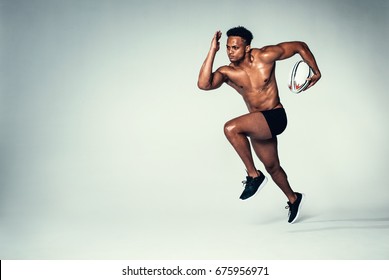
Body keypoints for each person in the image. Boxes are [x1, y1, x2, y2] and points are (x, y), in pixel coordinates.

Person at [197, 26, 321, 223]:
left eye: (235, 47)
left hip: (275, 116)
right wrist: (213, 50)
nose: (230, 51)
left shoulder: (265, 56)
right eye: (228, 48)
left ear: (247, 48)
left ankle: (254, 176)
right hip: (258, 123)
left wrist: (316, 71)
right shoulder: (227, 72)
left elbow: (300, 46)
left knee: (231, 128)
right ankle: (294, 198)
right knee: (273, 167)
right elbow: (204, 84)